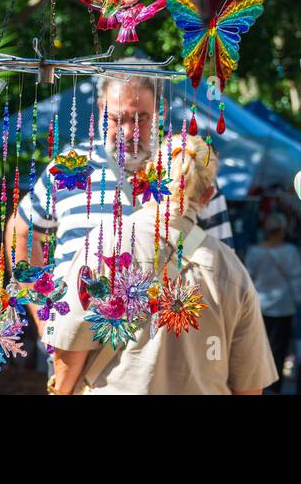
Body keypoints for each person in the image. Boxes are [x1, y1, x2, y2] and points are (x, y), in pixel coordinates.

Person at [46, 135, 277, 394]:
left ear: (147, 178)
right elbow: (250, 385)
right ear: (209, 196)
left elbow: (70, 344)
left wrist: (60, 389)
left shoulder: (106, 243)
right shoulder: (232, 270)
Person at [6, 76, 156, 315]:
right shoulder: (71, 165)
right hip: (70, 341)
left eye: (141, 119)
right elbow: (20, 230)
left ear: (161, 112)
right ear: (100, 109)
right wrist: (40, 313)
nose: (129, 132)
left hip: (153, 344)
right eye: (118, 119)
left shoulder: (184, 170)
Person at [244, 212, 301, 393]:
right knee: (279, 351)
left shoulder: (254, 252)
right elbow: (298, 281)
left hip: (260, 307)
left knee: (258, 348)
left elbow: (246, 282)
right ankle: (275, 388)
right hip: (284, 307)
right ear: (282, 230)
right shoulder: (289, 252)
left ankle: (259, 386)